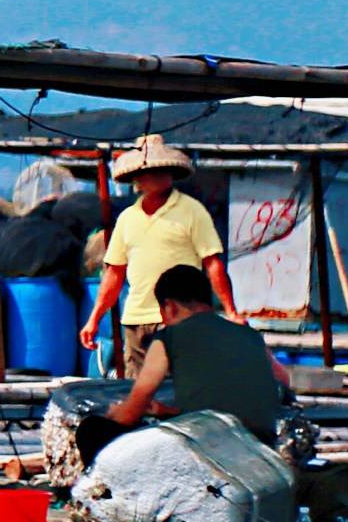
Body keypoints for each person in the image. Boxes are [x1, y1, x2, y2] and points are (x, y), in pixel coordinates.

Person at [82, 138, 228, 371]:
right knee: (139, 393)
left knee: (180, 390)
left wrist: (231, 311)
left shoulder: (192, 211)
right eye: (145, 173)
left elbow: (212, 263)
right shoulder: (128, 219)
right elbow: (114, 273)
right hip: (136, 321)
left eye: (158, 171)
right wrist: (94, 319)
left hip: (180, 319)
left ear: (169, 174)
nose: (151, 177)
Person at [107, 262, 287, 440]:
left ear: (170, 306)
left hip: (207, 448)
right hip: (260, 445)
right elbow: (283, 380)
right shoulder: (251, 335)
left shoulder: (168, 338)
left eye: (162, 311)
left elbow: (131, 412)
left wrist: (113, 414)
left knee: (93, 430)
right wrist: (167, 411)